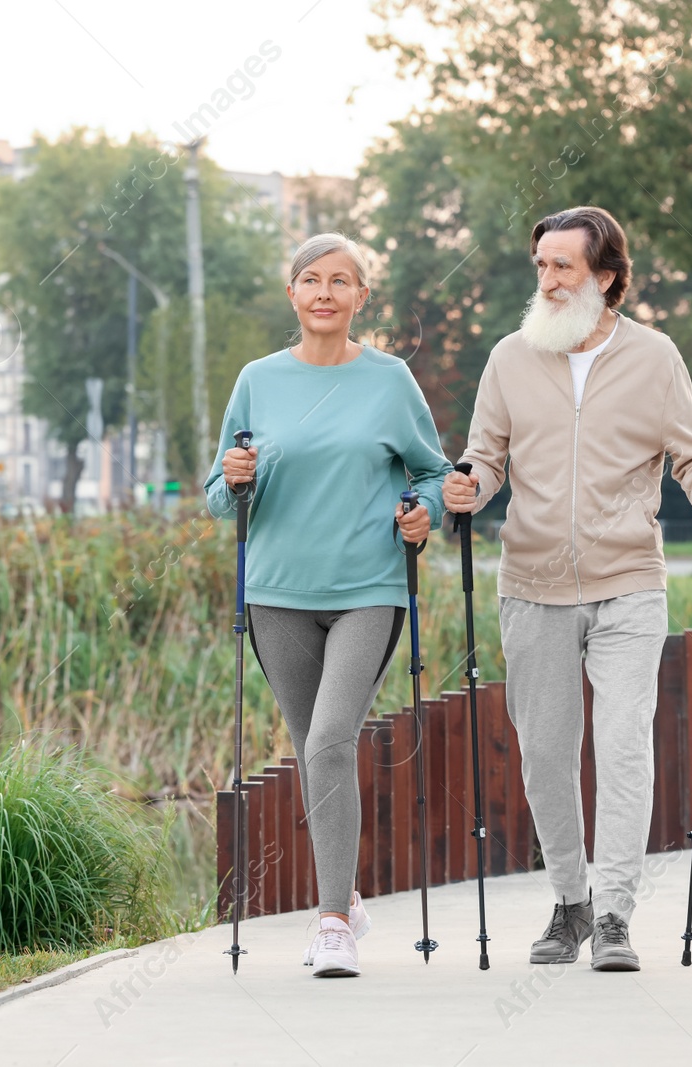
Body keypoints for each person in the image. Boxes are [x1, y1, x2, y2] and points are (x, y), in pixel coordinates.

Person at [443, 206, 692, 972]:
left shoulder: (654, 356)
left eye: (562, 267)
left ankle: (614, 914)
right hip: (533, 581)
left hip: (627, 582)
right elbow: (486, 457)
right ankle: (569, 903)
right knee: (544, 754)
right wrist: (465, 486)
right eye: (540, 266)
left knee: (621, 747)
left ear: (605, 277)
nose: (546, 280)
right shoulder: (512, 356)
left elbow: (691, 452)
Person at [205, 232, 453, 978]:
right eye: (310, 280)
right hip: (277, 592)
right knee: (313, 750)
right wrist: (235, 476)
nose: (324, 292)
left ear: (359, 297)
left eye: (340, 281)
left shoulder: (389, 380)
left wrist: (424, 512)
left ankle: (333, 922)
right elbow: (220, 499)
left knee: (328, 742)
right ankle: (344, 889)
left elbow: (435, 474)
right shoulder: (257, 380)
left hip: (367, 588)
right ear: (292, 294)